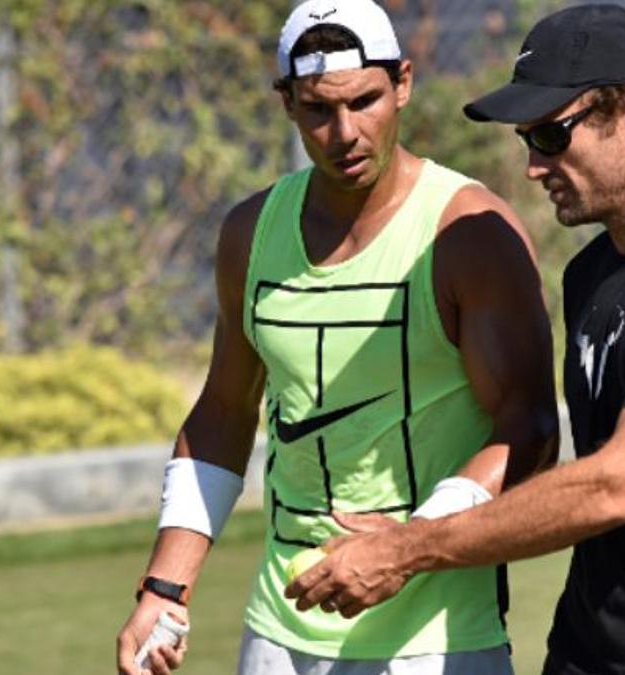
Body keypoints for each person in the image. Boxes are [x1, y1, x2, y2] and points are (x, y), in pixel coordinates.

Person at [285, 5, 625, 675]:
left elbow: (617, 483)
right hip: (589, 655)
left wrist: (411, 547)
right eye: (526, 139)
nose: (531, 167)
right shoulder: (590, 274)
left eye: (551, 135)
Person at [115, 0, 559, 673]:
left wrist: (411, 543)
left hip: (436, 641)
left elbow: (529, 429)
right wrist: (164, 587)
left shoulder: (469, 234)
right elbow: (224, 414)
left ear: (403, 83)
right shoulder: (251, 231)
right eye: (319, 109)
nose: (345, 132)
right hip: (277, 631)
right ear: (288, 104)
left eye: (366, 101)